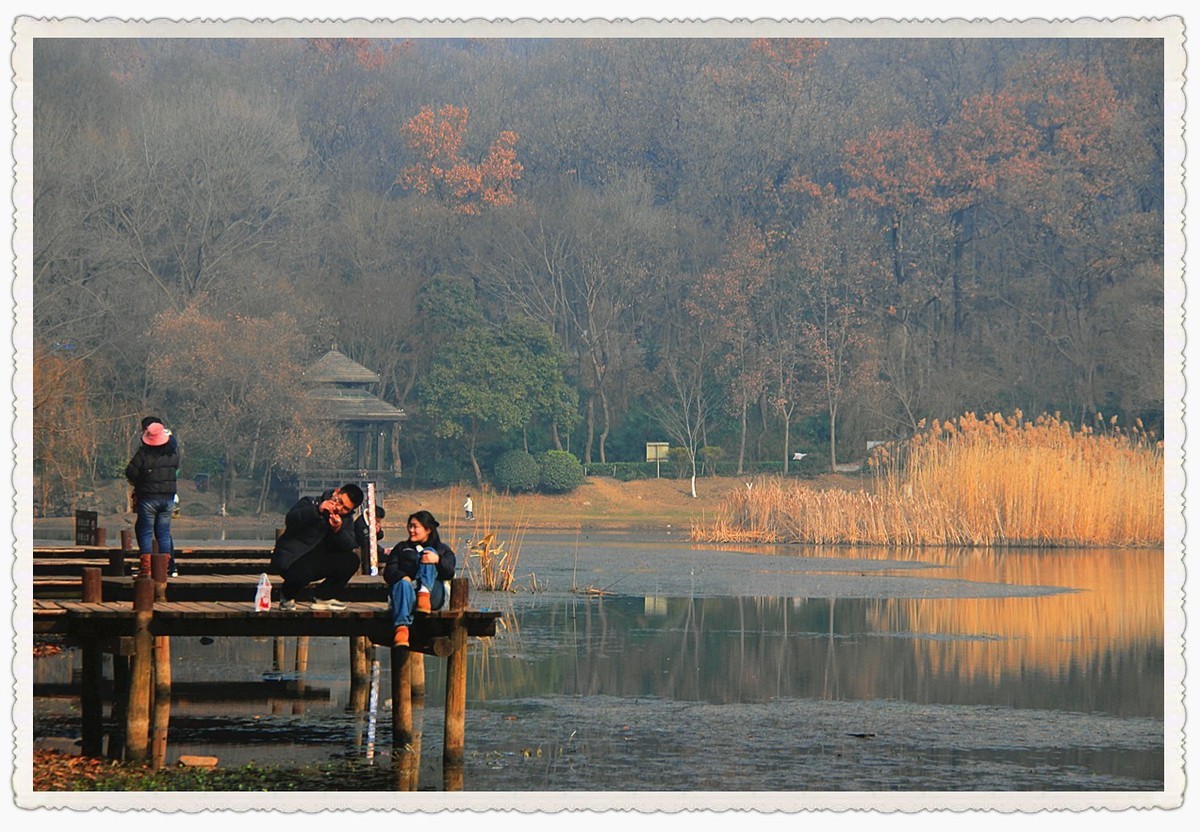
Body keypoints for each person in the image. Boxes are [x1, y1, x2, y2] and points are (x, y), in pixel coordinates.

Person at [270, 483, 365, 611]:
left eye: (345, 508)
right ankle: (287, 596)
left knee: (352, 560)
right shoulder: (310, 502)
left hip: (317, 561)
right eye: (339, 501)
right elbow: (291, 519)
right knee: (304, 570)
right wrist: (317, 510)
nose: (339, 508)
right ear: (336, 492)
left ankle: (323, 597)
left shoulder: (346, 520)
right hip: (293, 558)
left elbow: (350, 545)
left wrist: (338, 530)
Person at [383, 510, 457, 647]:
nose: (411, 530)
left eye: (415, 527)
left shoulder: (442, 550)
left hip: (433, 596)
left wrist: (437, 560)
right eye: (409, 526)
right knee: (402, 584)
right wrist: (402, 576)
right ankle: (402, 629)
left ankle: (424, 593)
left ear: (428, 529)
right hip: (407, 595)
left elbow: (449, 573)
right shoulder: (401, 548)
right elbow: (389, 572)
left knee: (428, 554)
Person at [125, 419, 181, 577]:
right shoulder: (173, 454)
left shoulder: (143, 454)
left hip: (148, 497)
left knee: (145, 532)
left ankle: (147, 569)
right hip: (168, 498)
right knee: (163, 533)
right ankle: (163, 570)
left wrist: (141, 480)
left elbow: (130, 472)